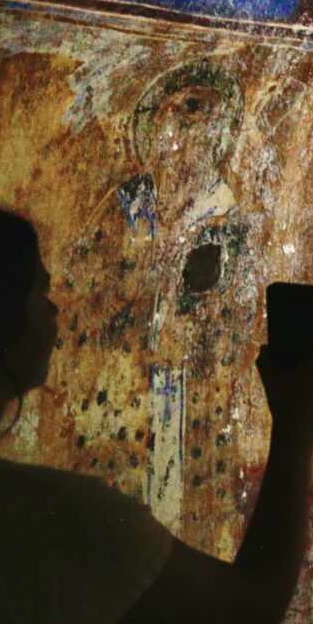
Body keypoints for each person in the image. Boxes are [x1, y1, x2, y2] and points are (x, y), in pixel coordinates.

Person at [0, 206, 313, 624]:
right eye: (40, 295)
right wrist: (296, 423)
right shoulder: (62, 523)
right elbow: (252, 607)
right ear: (0, 328)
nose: (55, 307)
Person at [63, 59, 262, 557]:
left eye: (203, 128)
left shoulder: (227, 217)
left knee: (188, 524)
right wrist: (139, 290)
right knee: (117, 531)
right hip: (125, 392)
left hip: (195, 394)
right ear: (156, 129)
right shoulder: (126, 204)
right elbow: (83, 293)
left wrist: (196, 325)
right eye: (179, 122)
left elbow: (242, 311)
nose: (188, 143)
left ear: (220, 139)